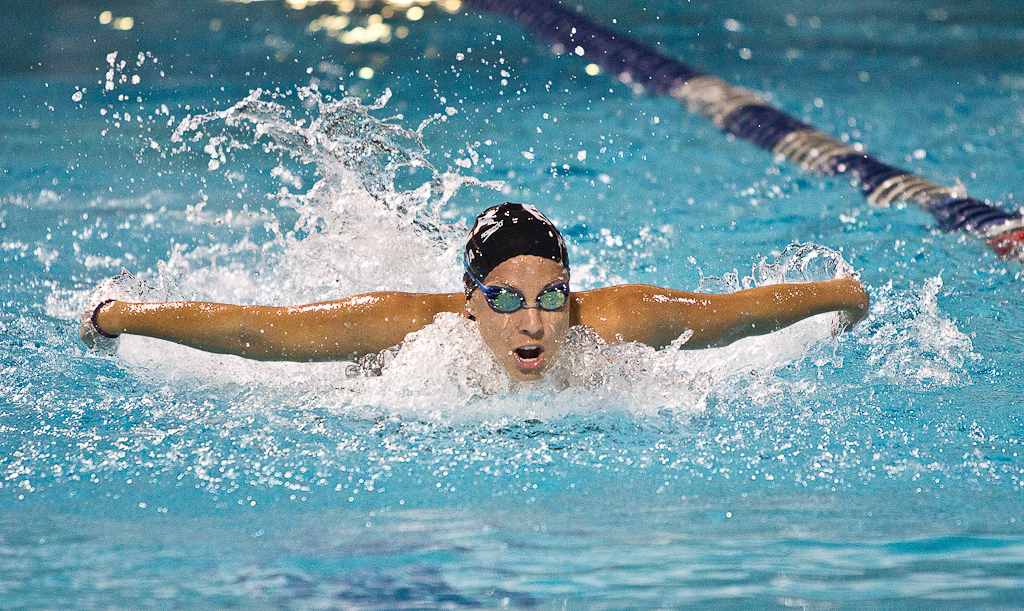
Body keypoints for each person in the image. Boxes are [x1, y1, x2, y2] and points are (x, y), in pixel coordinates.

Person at [80, 202, 870, 381]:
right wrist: (119, 315)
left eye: (551, 296)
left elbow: (734, 316)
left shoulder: (617, 319)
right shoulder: (406, 328)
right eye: (504, 299)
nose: (533, 322)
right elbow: (261, 330)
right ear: (468, 302)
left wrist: (841, 294)